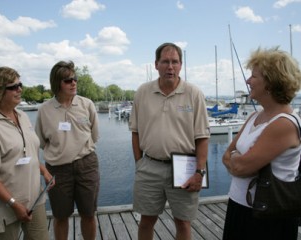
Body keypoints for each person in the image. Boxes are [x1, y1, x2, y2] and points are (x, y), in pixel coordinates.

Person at [129, 42, 210, 240]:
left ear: (181, 65)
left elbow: (202, 137)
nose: (170, 66)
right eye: (165, 61)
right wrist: (139, 162)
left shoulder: (194, 93)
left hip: (185, 167)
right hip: (150, 166)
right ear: (156, 64)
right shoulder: (143, 92)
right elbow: (135, 132)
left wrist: (200, 172)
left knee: (183, 222)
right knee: (147, 220)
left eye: (175, 62)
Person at [222, 47, 301, 240]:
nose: (248, 81)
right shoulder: (254, 117)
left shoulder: (283, 123)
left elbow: (241, 166)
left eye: (254, 76)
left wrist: (237, 161)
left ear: (270, 83)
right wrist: (237, 161)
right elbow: (227, 155)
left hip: (266, 215)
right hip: (240, 205)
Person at [0, 67, 53, 240]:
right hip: (5, 207)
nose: (20, 89)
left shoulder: (23, 116)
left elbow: (28, 152)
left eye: (20, 84)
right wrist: (13, 204)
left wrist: (44, 172)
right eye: (13, 86)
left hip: (34, 200)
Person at [35, 60, 100, 240]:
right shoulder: (44, 110)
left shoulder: (87, 105)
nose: (73, 83)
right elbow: (40, 142)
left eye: (75, 79)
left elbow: (94, 135)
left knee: (88, 213)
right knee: (60, 215)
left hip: (87, 165)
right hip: (57, 169)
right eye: (68, 80)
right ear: (57, 83)